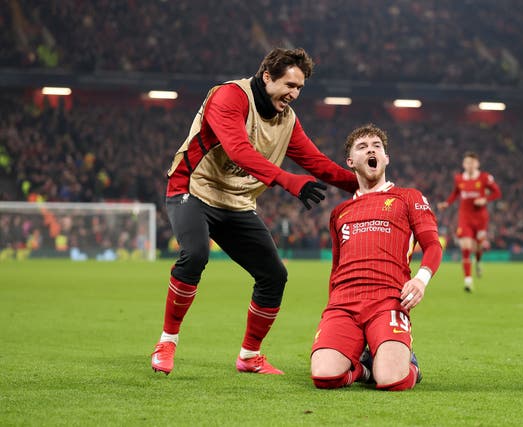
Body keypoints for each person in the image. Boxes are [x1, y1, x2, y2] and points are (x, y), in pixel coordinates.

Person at [151, 48, 358, 375]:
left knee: (274, 275)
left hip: (237, 204)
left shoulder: (286, 120)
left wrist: (366, 185)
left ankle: (249, 356)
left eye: (300, 88)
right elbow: (239, 150)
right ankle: (167, 341)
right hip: (193, 188)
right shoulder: (230, 97)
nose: (294, 94)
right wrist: (290, 181)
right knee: (195, 255)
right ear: (266, 77)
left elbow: (317, 163)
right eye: (289, 84)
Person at [310, 124, 442, 391]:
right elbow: (336, 269)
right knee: (324, 377)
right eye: (362, 147)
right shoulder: (340, 212)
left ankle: (410, 364)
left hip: (388, 300)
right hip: (344, 303)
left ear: (386, 158)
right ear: (351, 162)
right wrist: (331, 306)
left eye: (377, 146)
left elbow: (433, 245)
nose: (371, 149)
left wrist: (420, 280)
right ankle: (364, 368)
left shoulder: (408, 198)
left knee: (394, 380)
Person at [437, 151, 501, 292]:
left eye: (472, 163)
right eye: (467, 163)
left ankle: (478, 261)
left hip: (480, 218)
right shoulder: (459, 179)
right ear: (463, 164)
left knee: (478, 247)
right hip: (465, 218)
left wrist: (485, 199)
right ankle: (468, 280)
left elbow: (497, 192)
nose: (469, 165)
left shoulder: (485, 178)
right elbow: (456, 193)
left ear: (477, 164)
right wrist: (447, 203)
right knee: (466, 247)